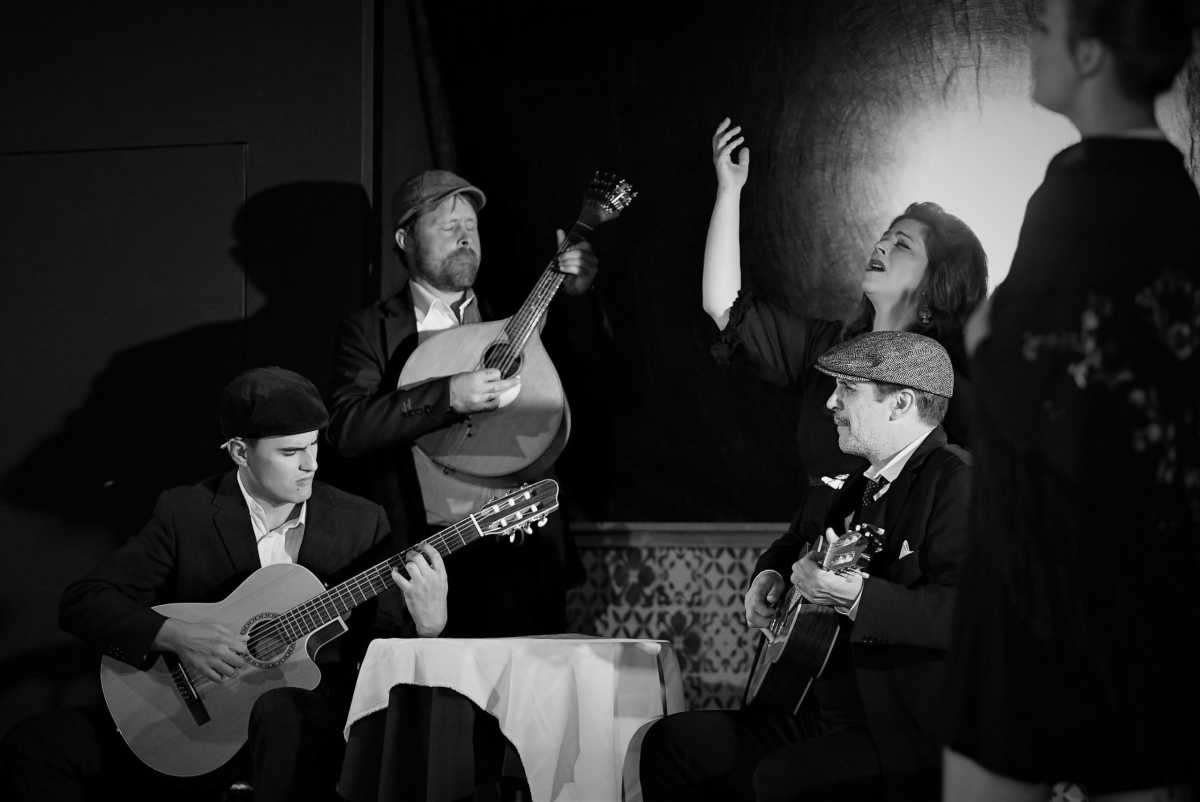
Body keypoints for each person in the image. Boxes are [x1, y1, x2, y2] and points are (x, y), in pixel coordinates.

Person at [944, 1, 1200, 799]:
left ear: (1090, 55)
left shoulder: (1079, 194)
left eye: (1043, 27)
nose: (1031, 41)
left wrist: (984, 337)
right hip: (1151, 599)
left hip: (1041, 591)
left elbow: (1017, 368)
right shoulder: (1178, 200)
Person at [0, 366, 449, 802]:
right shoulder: (187, 513)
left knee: (281, 710)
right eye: (290, 453)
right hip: (195, 722)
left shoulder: (361, 522)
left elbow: (381, 650)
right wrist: (175, 635)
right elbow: (84, 603)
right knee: (36, 745)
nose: (310, 465)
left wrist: (427, 628)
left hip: (306, 729)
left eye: (314, 446)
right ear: (239, 452)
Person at [639, 331, 971, 802]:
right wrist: (769, 576)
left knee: (781, 779)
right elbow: (794, 540)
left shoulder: (957, 481)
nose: (830, 403)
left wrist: (857, 598)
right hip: (807, 705)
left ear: (901, 403)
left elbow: (964, 614)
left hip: (897, 731)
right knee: (671, 746)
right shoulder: (854, 485)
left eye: (847, 389)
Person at [327, 168, 596, 637]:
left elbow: (587, 385)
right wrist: (447, 394)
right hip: (429, 559)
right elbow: (348, 428)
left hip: (522, 550)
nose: (465, 237)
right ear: (405, 239)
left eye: (471, 226)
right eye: (448, 226)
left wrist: (578, 298)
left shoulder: (515, 313)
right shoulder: (369, 331)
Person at [703, 117, 987, 496]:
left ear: (937, 285)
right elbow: (722, 305)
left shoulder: (948, 388)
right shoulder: (827, 348)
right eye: (884, 237)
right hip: (816, 534)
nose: (880, 246)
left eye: (901, 244)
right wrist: (729, 189)